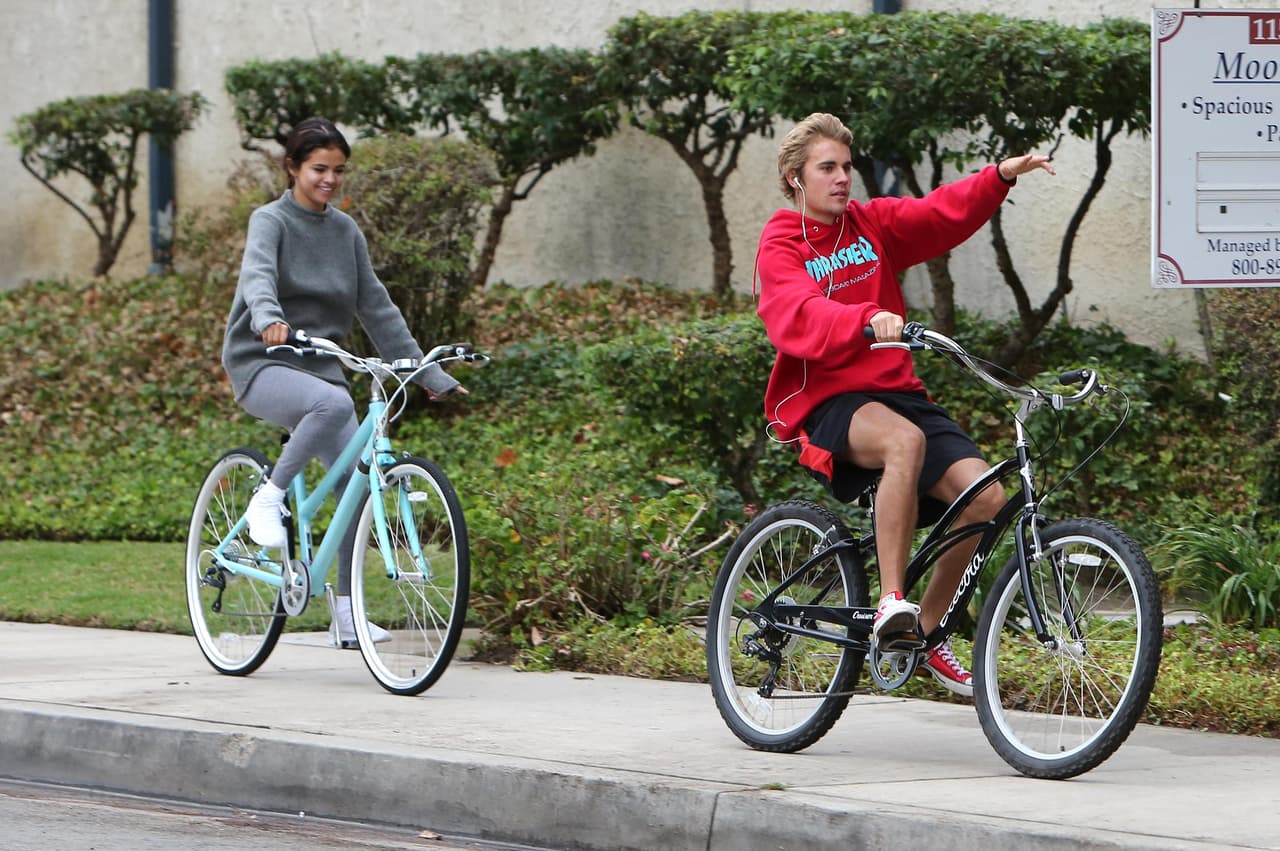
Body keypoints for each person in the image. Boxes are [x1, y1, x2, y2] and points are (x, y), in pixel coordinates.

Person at [754, 112, 1054, 696]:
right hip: (831, 396)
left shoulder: (871, 224)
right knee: (904, 442)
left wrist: (998, 177)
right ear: (796, 178)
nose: (843, 178)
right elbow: (795, 311)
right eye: (827, 168)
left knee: (987, 497)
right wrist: (866, 318)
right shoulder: (782, 240)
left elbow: (935, 214)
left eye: (847, 167)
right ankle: (893, 601)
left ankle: (926, 630)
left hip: (899, 392)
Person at [221, 116, 465, 648]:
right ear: (292, 169)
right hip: (263, 361)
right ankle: (269, 495)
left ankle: (347, 616)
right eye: (318, 169)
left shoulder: (344, 231)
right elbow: (257, 276)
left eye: (337, 171)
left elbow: (376, 306)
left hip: (322, 366)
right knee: (331, 404)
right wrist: (267, 320)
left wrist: (427, 372)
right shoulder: (271, 221)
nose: (329, 179)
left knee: (357, 482)